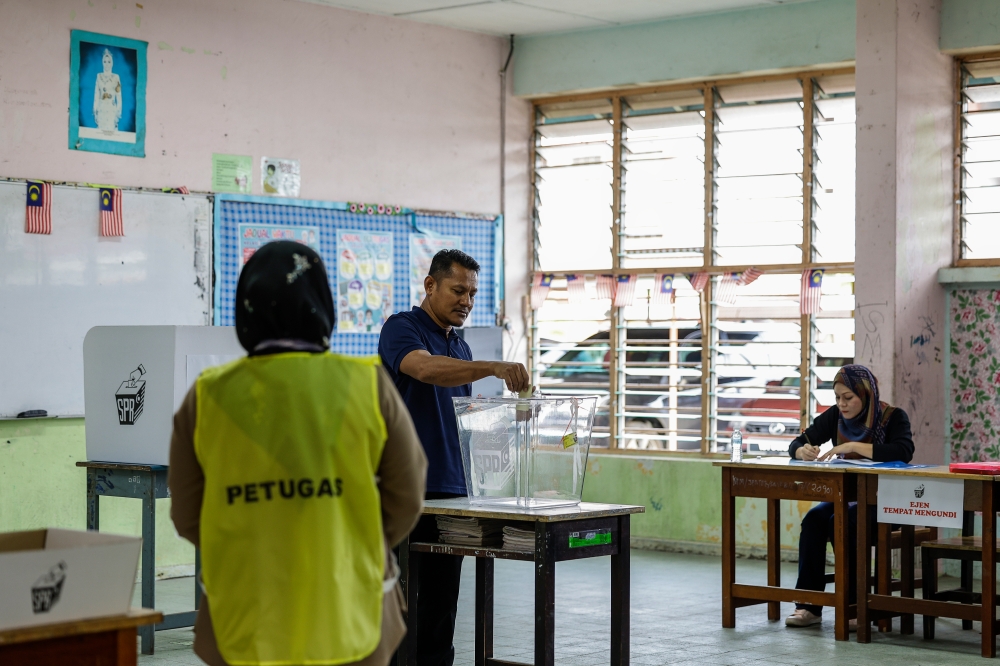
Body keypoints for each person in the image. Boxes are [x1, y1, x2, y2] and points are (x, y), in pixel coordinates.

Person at [168, 241, 427, 666]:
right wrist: (348, 537)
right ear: (324, 305)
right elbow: (407, 496)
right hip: (350, 610)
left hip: (245, 614)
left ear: (245, 309)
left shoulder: (207, 396)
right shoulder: (367, 386)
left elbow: (188, 513)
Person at [378, 248, 530, 666]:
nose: (466, 300)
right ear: (431, 286)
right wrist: (494, 367)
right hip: (406, 492)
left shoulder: (460, 347)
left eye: (473, 293)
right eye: (458, 290)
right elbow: (425, 370)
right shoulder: (401, 328)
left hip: (452, 492)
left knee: (441, 606)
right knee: (400, 601)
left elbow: (462, 419)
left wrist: (510, 421)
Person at [785, 364, 914, 628]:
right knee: (814, 520)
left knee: (845, 520)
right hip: (845, 497)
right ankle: (808, 606)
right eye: (837, 398)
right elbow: (796, 443)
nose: (841, 404)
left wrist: (854, 446)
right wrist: (803, 452)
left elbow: (903, 451)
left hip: (886, 502)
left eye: (848, 398)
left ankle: (856, 605)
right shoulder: (835, 416)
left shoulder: (892, 417)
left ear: (865, 395)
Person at [93, 49, 122, 133]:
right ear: (102, 62)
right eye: (105, 61)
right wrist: (95, 110)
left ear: (112, 63)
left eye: (109, 62)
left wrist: (117, 113)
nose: (107, 64)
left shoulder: (116, 78)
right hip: (101, 110)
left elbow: (119, 97)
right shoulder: (99, 76)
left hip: (111, 111)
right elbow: (96, 95)